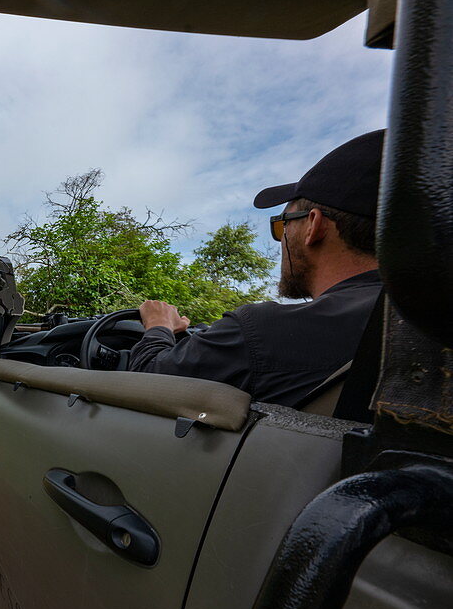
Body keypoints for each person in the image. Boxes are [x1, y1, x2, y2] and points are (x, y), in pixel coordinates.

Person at [128, 130, 385, 408]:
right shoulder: (420, 322)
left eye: (281, 225)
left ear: (313, 225)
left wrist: (158, 326)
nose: (281, 241)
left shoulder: (262, 334)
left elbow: (145, 384)